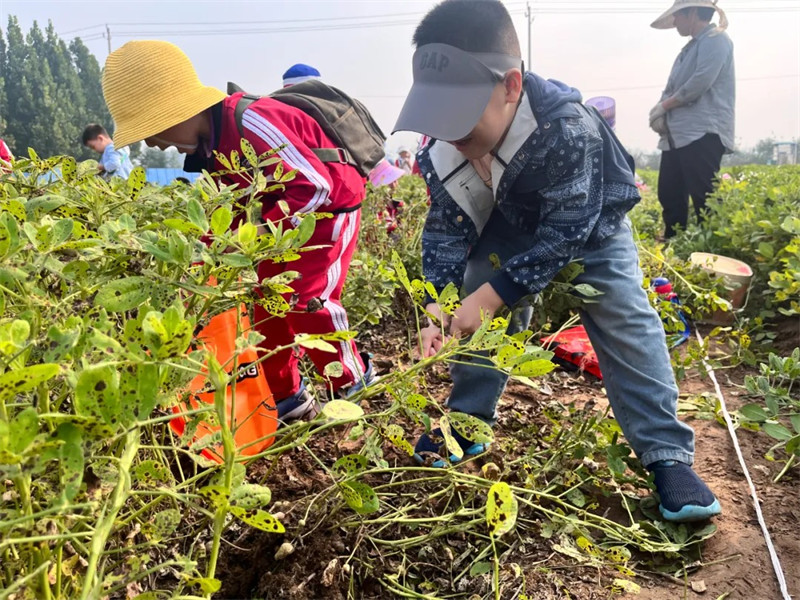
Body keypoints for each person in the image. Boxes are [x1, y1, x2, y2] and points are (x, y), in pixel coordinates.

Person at [393, 0, 720, 523]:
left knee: (620, 308)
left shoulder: (568, 128)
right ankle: (468, 420)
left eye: (461, 115)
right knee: (477, 286)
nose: (450, 133)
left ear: (511, 87)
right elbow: (447, 231)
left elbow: (567, 233)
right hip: (507, 216)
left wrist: (491, 294)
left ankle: (667, 457)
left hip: (589, 221)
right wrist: (439, 303)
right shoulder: (441, 150)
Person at [101, 41, 375, 422]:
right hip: (279, 223)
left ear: (180, 109)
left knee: (308, 301)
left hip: (328, 211)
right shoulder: (210, 149)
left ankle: (354, 385)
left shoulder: (251, 120)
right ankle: (289, 400)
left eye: (153, 128)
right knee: (262, 305)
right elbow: (233, 211)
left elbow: (313, 186)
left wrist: (255, 232)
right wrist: (206, 250)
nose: (150, 141)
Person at [649, 0, 734, 238]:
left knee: (704, 197)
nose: (674, 21)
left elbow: (700, 82)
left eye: (678, 15)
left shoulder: (716, 39)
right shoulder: (688, 50)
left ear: (693, 12)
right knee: (669, 192)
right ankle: (674, 244)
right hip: (677, 134)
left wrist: (664, 106)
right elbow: (673, 87)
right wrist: (661, 111)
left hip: (702, 132)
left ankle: (715, 250)